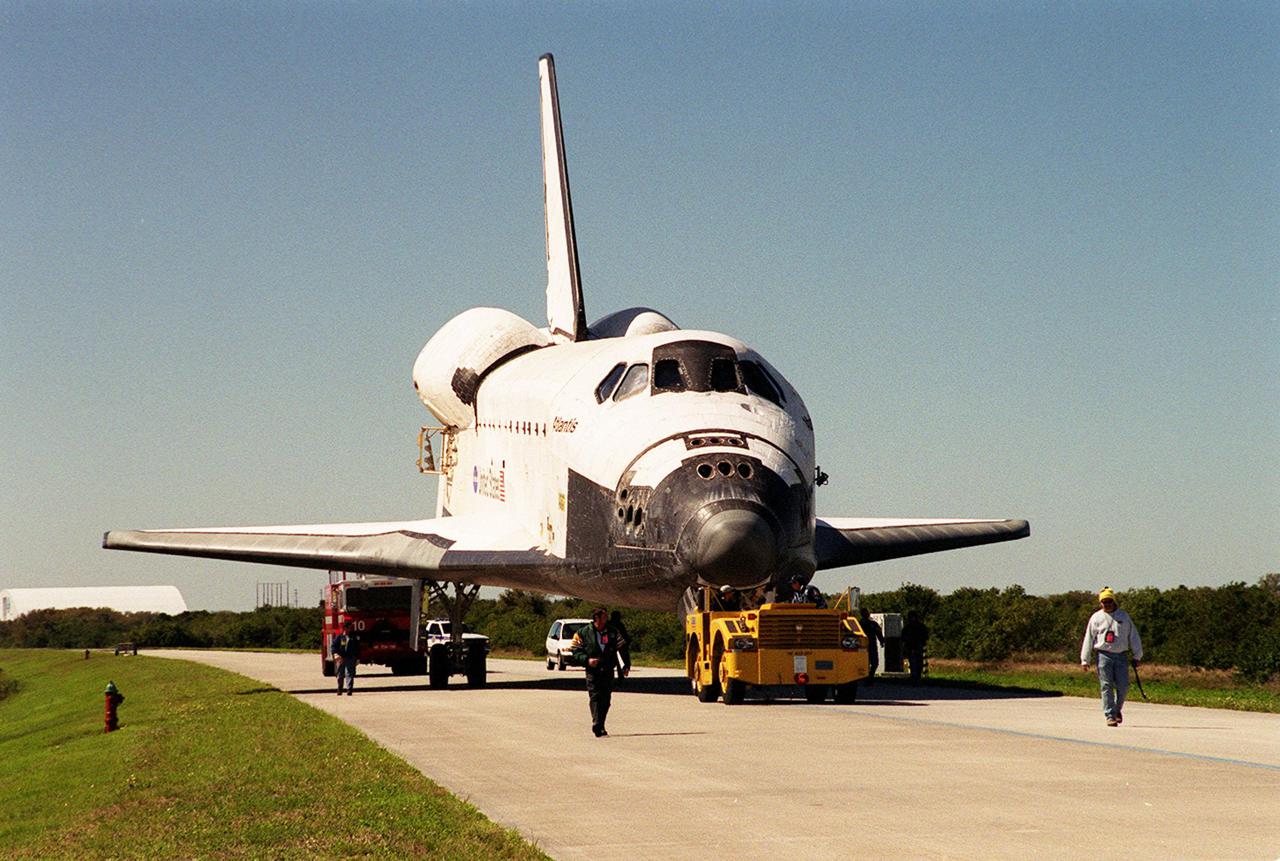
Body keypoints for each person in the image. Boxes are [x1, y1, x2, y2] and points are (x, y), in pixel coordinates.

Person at [1080, 587, 1143, 727]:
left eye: (1109, 601)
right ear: (1100, 603)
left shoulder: (1124, 617)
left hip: (1121, 655)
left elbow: (1133, 636)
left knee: (1123, 686)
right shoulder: (1096, 617)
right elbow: (1089, 638)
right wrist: (1085, 659)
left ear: (1113, 601)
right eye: (1104, 601)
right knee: (1106, 685)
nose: (1106, 604)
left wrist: (1137, 655)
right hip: (1103, 655)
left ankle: (1117, 709)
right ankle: (1110, 715)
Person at [572, 608, 628, 736]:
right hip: (593, 670)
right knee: (595, 695)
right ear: (596, 618)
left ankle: (601, 723)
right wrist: (587, 660)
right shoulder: (582, 633)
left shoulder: (613, 632)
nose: (606, 619)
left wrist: (626, 665)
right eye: (604, 617)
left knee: (606, 699)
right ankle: (597, 723)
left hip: (608, 669)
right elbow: (575, 650)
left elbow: (622, 648)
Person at [331, 620, 362, 696]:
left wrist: (357, 658)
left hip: (350, 658)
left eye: (349, 628)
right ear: (344, 628)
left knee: (349, 674)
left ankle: (349, 690)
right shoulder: (340, 637)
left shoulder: (353, 638)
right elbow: (333, 646)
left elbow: (357, 648)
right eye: (347, 628)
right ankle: (340, 689)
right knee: (340, 674)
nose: (348, 629)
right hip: (340, 658)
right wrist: (335, 654)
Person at [901, 611, 929, 682]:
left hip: (917, 646)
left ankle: (917, 677)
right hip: (911, 647)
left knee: (919, 663)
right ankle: (914, 677)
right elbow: (903, 637)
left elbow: (925, 636)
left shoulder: (919, 627)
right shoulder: (908, 627)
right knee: (913, 663)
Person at [859, 608, 884, 685]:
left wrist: (881, 641)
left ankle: (870, 676)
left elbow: (878, 632)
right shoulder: (859, 624)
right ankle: (866, 678)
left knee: (875, 663)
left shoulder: (873, 624)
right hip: (862, 646)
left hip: (872, 645)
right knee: (865, 663)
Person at [609, 610, 632, 681]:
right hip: (613, 647)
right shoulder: (615, 625)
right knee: (614, 663)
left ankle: (620, 676)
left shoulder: (612, 624)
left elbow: (624, 635)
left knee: (618, 663)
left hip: (618, 646)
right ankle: (618, 677)